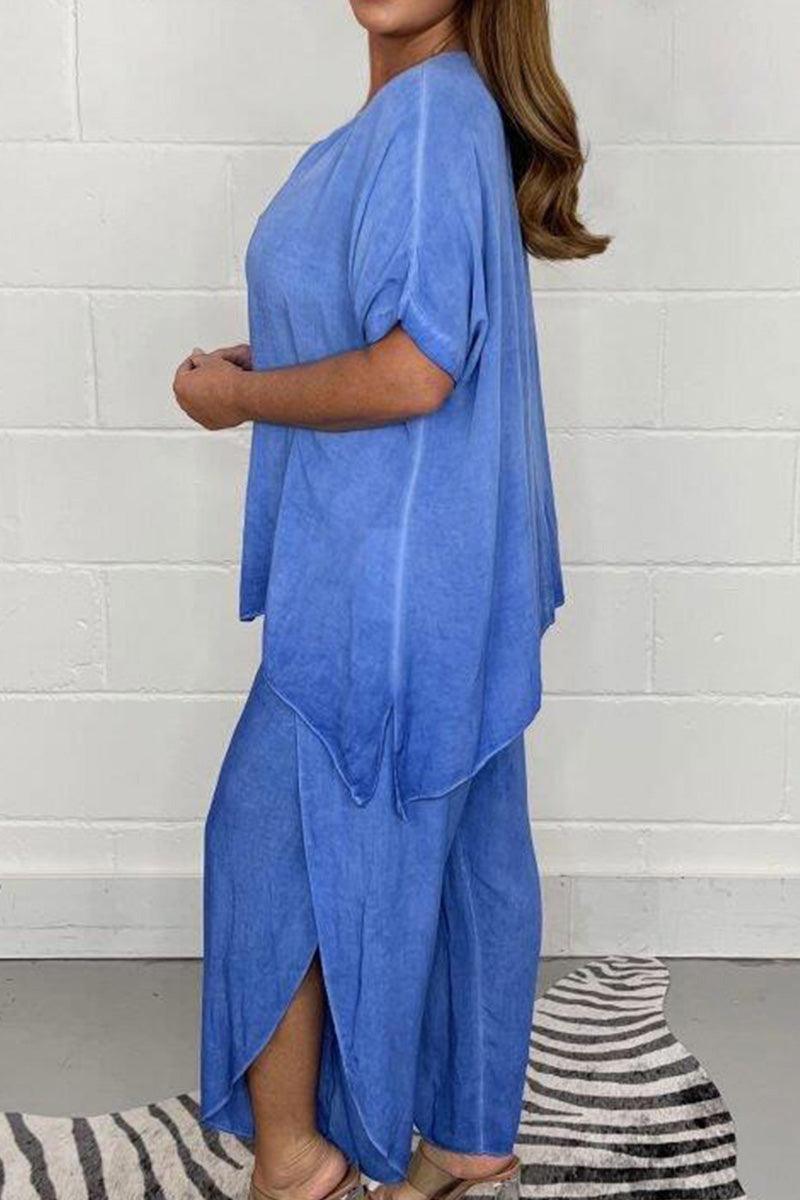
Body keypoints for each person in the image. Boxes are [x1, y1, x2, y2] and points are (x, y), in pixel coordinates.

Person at [172, 3, 608, 1200]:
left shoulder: (427, 120)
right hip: (449, 572)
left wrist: (239, 403)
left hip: (386, 578)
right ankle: (467, 1147)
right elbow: (386, 330)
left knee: (261, 843)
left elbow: (415, 369)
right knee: (471, 852)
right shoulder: (435, 116)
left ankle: (296, 1162)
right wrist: (266, 362)